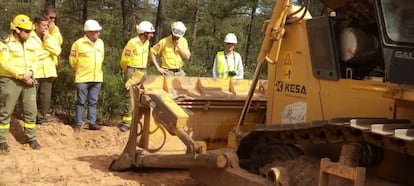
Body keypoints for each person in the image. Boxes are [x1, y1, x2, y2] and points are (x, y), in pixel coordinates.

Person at [0, 14, 41, 152]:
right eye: (27, 31)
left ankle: (31, 138)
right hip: (10, 80)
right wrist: (20, 75)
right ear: (17, 30)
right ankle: (2, 140)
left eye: (30, 31)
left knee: (31, 110)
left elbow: (36, 59)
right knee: (6, 111)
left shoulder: (31, 43)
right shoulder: (5, 42)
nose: (30, 34)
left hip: (28, 79)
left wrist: (31, 72)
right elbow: (4, 63)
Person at [119, 21, 155, 132]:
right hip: (133, 70)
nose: (152, 35)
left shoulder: (147, 43)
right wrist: (128, 72)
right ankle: (127, 123)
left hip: (143, 71)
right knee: (130, 97)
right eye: (150, 33)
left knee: (142, 97)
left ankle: (137, 121)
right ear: (144, 33)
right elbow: (125, 59)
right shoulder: (132, 43)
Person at [69, 19, 104, 133]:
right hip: (82, 78)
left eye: (99, 31)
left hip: (97, 77)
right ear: (88, 32)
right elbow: (72, 61)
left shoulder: (100, 43)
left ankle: (91, 122)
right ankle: (78, 123)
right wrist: (80, 70)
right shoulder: (78, 44)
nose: (98, 33)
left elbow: (101, 58)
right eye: (96, 31)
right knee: (80, 101)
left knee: (93, 101)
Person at [32, 16, 62, 125]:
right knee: (32, 97)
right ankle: (31, 118)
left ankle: (41, 118)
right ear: (36, 25)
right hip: (35, 71)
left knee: (45, 97)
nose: (46, 28)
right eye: (43, 25)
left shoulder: (50, 37)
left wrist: (47, 40)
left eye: (47, 25)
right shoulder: (29, 37)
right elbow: (33, 55)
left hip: (48, 71)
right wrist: (47, 52)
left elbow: (57, 50)